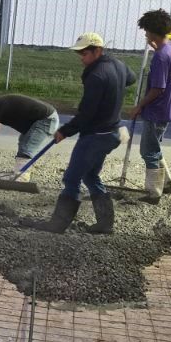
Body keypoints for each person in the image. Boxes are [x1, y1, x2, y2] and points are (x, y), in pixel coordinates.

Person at [48, 33, 134, 234]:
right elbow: (131, 78)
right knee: (90, 175)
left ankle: (57, 225)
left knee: (72, 178)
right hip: (113, 133)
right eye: (79, 54)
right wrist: (113, 87)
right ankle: (105, 224)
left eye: (84, 54)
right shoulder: (118, 65)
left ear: (98, 51)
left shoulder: (96, 76)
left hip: (96, 135)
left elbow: (86, 114)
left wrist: (65, 131)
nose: (81, 58)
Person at [127, 9, 171, 204]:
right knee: (155, 147)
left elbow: (158, 88)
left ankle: (153, 192)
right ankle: (166, 184)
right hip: (166, 109)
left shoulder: (161, 56)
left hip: (156, 111)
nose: (146, 36)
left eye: (147, 32)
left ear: (153, 33)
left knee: (148, 151)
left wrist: (139, 106)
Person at [0, 91, 59, 181]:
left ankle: (21, 178)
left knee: (26, 147)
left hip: (46, 120)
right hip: (47, 118)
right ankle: (22, 169)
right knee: (23, 141)